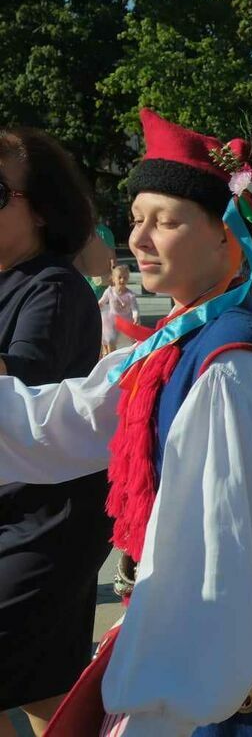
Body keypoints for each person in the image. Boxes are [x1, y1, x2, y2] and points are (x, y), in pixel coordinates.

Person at [0, 109, 252, 735]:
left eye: (165, 222)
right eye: (137, 219)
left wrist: (155, 713)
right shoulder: (182, 336)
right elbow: (69, 417)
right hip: (231, 635)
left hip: (224, 661)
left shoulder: (230, 371)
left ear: (227, 236)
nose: (139, 239)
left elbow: (205, 559)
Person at [0, 128, 113, 737]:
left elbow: (20, 400)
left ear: (40, 209)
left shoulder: (52, 286)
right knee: (50, 694)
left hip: (47, 524)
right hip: (16, 514)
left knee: (44, 686)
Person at [99, 264, 141, 355]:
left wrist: (136, 316)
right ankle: (110, 356)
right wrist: (97, 306)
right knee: (110, 338)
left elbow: (134, 308)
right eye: (119, 277)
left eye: (125, 278)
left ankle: (131, 356)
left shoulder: (130, 295)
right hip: (112, 320)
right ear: (113, 279)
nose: (122, 280)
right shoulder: (109, 291)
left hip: (126, 320)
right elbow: (102, 302)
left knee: (132, 342)